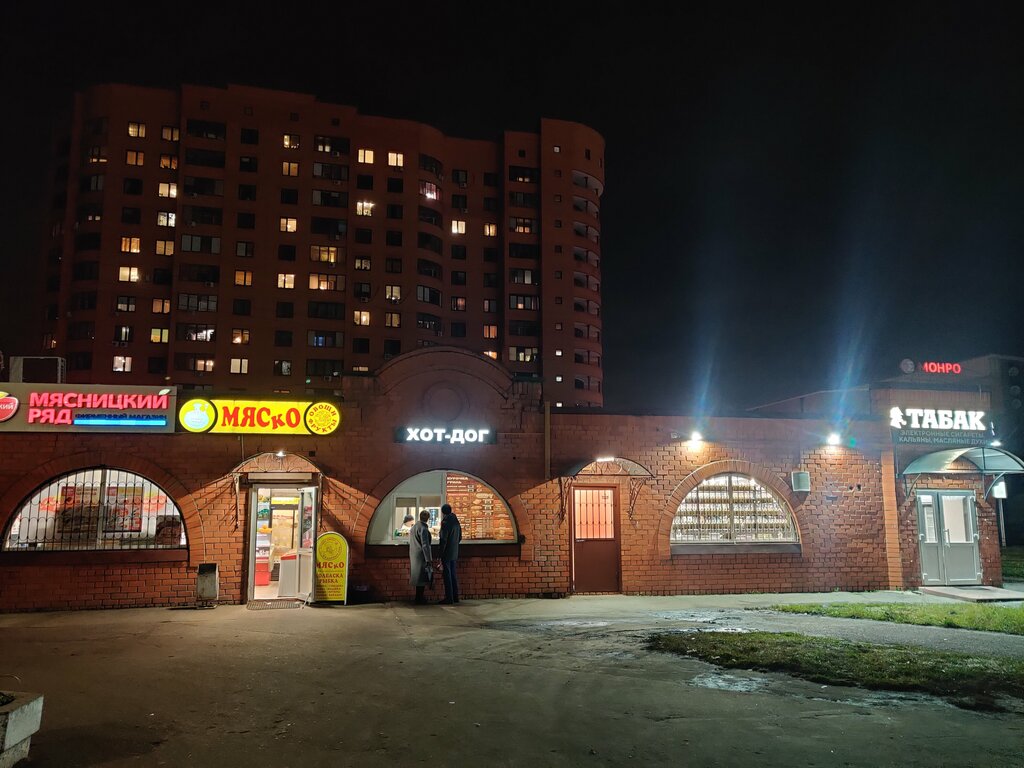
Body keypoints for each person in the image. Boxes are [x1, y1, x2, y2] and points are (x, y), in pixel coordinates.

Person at [438, 503, 462, 604]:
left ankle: (449, 598)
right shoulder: (456, 522)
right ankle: (455, 597)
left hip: (447, 553)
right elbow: (460, 537)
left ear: (443, 512)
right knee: (453, 574)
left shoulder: (445, 523)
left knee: (447, 576)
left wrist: (440, 554)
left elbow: (443, 540)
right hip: (454, 552)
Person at [408, 510, 433, 604]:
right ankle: (419, 598)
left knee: (417, 577)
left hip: (414, 554)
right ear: (427, 518)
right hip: (421, 556)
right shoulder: (423, 529)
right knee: (421, 578)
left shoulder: (414, 527)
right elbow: (425, 545)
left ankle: (418, 597)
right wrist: (428, 559)